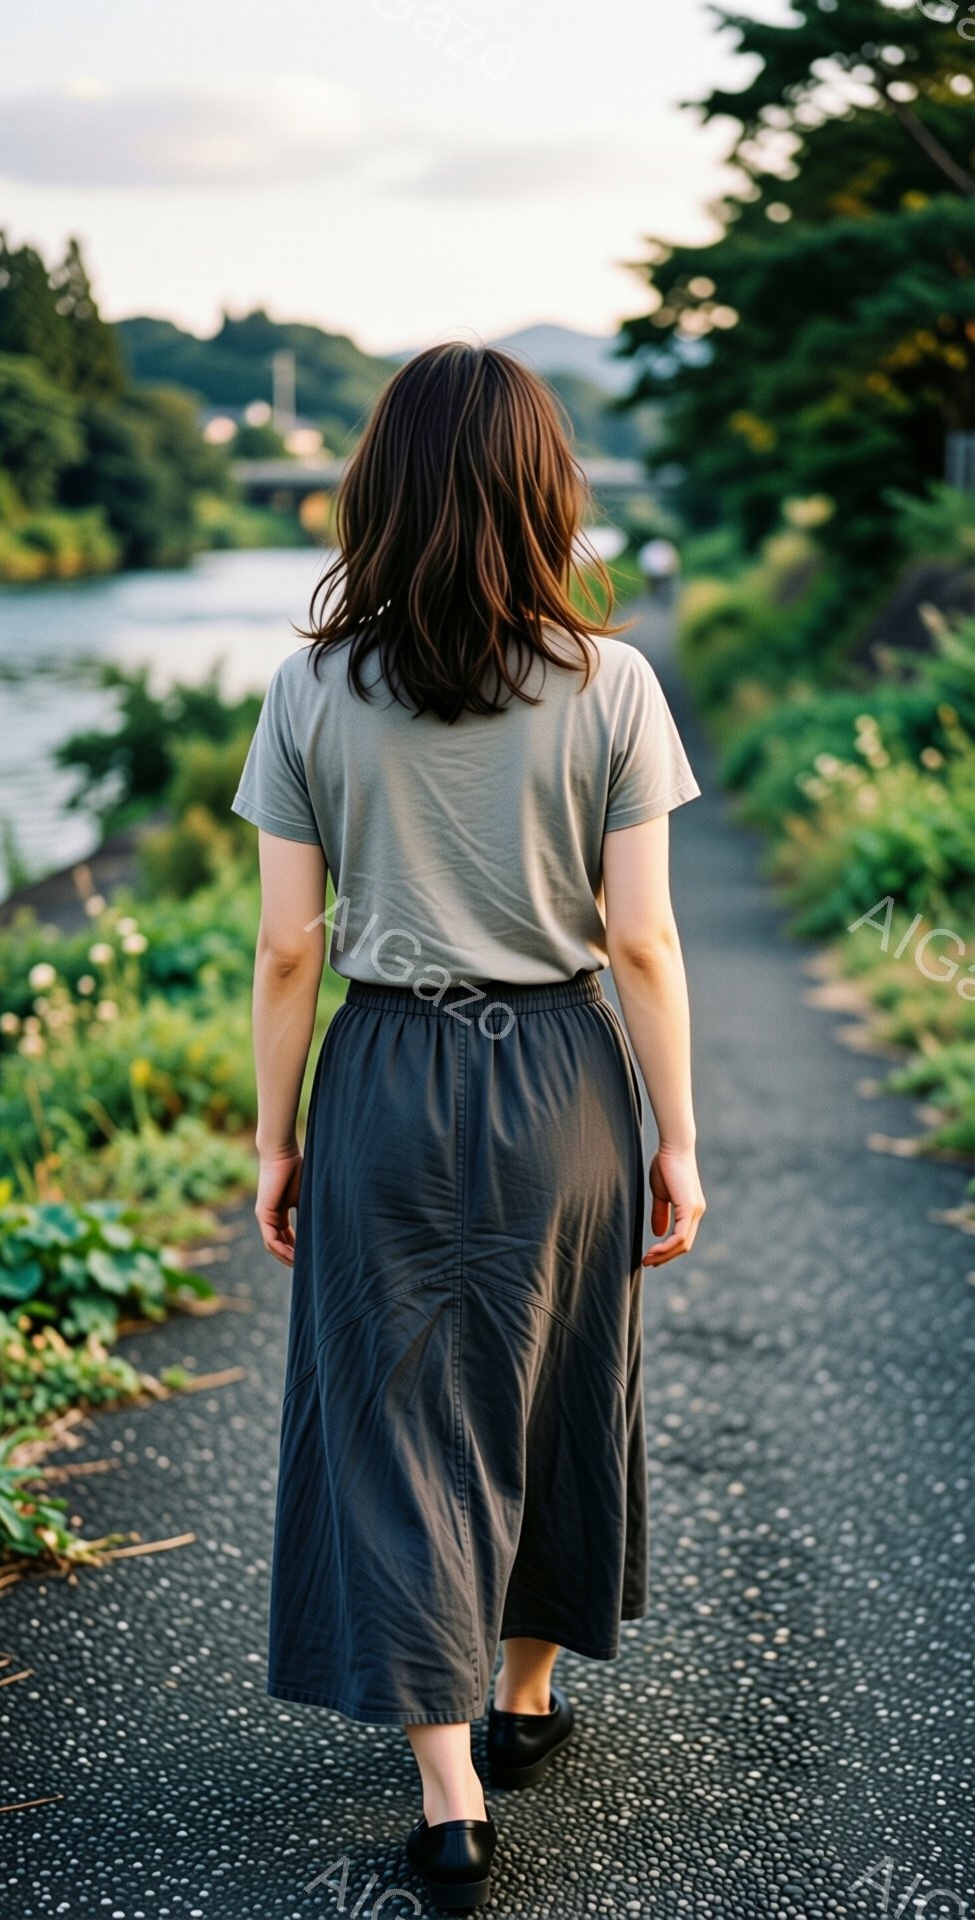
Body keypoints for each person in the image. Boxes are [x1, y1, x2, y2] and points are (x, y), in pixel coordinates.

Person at [231, 342, 706, 1913]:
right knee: (558, 1380)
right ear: (544, 493)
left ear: (377, 493)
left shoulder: (310, 686)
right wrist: (679, 1139)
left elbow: (289, 946)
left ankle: (448, 1800)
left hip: (380, 1075)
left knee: (397, 1418)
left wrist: (274, 1137)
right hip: (566, 1075)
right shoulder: (613, 683)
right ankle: (519, 1705)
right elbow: (640, 942)